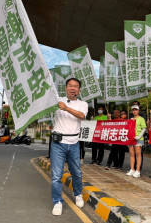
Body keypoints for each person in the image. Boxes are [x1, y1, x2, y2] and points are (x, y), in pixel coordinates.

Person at [50, 78, 88, 215]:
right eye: (70, 86)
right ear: (65, 88)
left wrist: (66, 108)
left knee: (76, 172)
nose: (73, 88)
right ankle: (57, 202)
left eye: (76, 86)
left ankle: (78, 194)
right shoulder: (57, 101)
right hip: (57, 144)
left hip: (74, 144)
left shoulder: (83, 104)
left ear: (79, 89)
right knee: (56, 175)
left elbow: (82, 116)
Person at [126, 105, 147, 178]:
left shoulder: (141, 119)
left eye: (136, 110)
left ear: (138, 111)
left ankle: (138, 170)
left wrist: (139, 136)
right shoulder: (131, 119)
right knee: (131, 154)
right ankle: (132, 169)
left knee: (138, 154)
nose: (135, 111)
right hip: (131, 139)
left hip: (138, 139)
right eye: (133, 110)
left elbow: (144, 128)